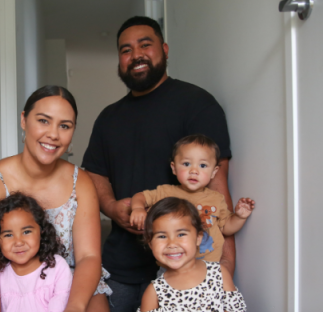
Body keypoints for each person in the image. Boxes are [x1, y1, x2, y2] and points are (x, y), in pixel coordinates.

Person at [82, 16, 234, 312]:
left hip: (186, 267)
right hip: (121, 267)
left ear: (164, 49)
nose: (135, 54)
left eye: (145, 44)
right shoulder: (108, 118)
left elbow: (218, 192)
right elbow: (94, 175)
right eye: (125, 50)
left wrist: (225, 266)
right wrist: (112, 207)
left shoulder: (197, 104)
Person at [0, 85, 111, 312]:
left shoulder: (81, 182)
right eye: (44, 121)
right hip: (16, 286)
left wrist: (74, 306)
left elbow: (89, 257)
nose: (53, 134)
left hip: (74, 285)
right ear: (24, 120)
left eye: (64, 126)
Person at [129, 135, 254, 264]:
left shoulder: (216, 199)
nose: (194, 171)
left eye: (203, 165)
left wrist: (239, 217)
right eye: (186, 164)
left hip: (208, 264)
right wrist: (138, 208)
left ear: (214, 172)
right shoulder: (165, 192)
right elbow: (140, 196)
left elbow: (226, 228)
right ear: (174, 167)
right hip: (172, 263)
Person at [137, 197, 246, 312]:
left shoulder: (218, 273)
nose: (172, 244)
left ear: (198, 238)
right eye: (162, 236)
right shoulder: (154, 292)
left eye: (181, 234)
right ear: (151, 244)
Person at [0, 192, 73, 312]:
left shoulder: (57, 267)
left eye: (26, 232)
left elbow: (61, 303)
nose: (18, 242)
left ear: (41, 231)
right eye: (8, 235)